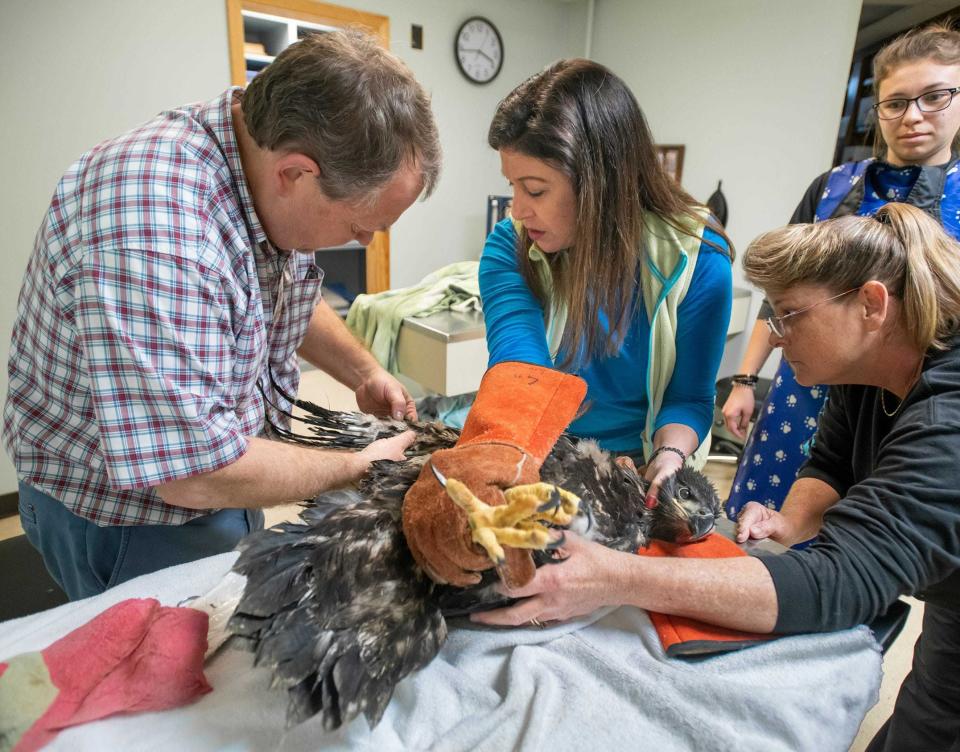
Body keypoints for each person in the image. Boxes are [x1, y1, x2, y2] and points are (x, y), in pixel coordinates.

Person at [475, 202, 960, 751]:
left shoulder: (948, 422)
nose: (775, 337)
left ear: (871, 304)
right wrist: (793, 518)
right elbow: (832, 461)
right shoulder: (869, 365)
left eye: (790, 316)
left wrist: (613, 576)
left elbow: (840, 583)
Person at [2, 29, 440, 600]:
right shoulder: (158, 235)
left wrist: (362, 371)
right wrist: (358, 467)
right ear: (296, 173)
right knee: (164, 681)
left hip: (220, 476)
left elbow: (282, 291)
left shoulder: (260, 154)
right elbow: (194, 475)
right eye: (359, 226)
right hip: (126, 519)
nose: (361, 241)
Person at [400, 59, 733, 590]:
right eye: (513, 187)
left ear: (602, 183)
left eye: (535, 189)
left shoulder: (697, 257)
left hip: (639, 468)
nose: (519, 209)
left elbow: (689, 396)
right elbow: (520, 372)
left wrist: (669, 457)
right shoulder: (510, 248)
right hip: (540, 450)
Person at [723, 23, 960, 524]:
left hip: (909, 398)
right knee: (772, 517)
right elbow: (779, 295)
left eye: (934, 97)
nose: (912, 116)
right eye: (895, 102)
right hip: (807, 384)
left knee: (877, 533)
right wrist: (744, 378)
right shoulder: (832, 188)